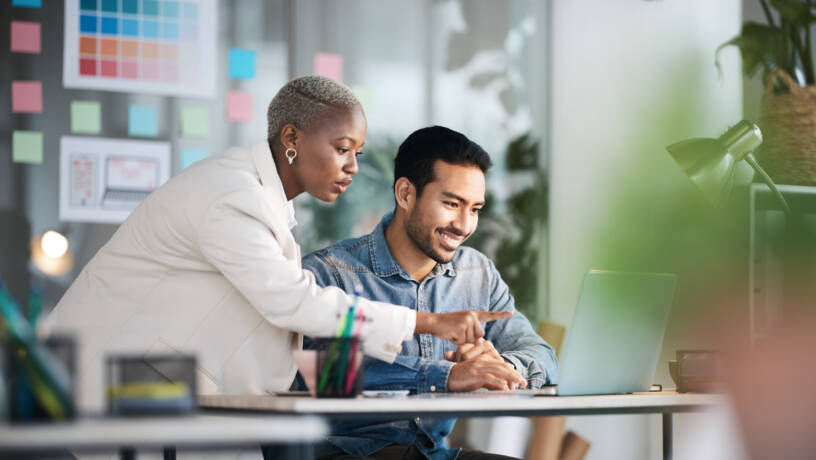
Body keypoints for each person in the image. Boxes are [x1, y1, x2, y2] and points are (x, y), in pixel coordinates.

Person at [47, 77, 506, 413]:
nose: (352, 167)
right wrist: (432, 345)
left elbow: (533, 353)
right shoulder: (249, 209)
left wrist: (491, 369)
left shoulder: (476, 276)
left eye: (358, 154)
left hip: (196, 396)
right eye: (341, 148)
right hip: (114, 387)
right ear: (292, 139)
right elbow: (306, 348)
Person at [302, 126, 558, 460]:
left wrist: (500, 367)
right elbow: (319, 371)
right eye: (452, 204)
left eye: (475, 209)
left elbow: (540, 353)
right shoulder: (331, 272)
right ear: (406, 194)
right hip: (343, 452)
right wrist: (445, 376)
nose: (465, 225)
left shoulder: (476, 274)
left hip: (431, 454)